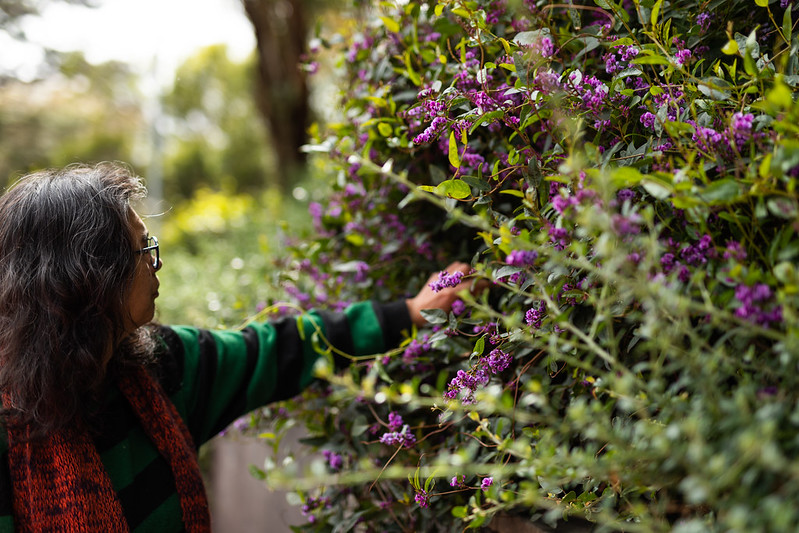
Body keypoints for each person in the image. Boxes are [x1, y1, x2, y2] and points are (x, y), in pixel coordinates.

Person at [0, 162, 475, 532]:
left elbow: (275, 349)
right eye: (143, 249)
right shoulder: (11, 431)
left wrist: (410, 312)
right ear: (91, 279)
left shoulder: (162, 368)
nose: (156, 264)